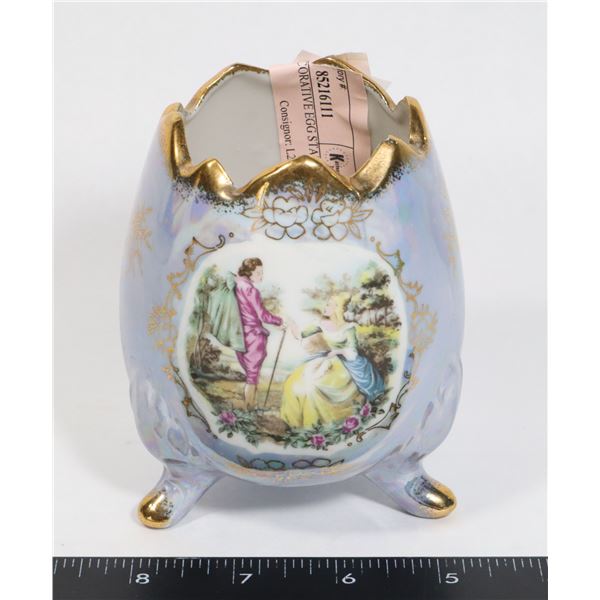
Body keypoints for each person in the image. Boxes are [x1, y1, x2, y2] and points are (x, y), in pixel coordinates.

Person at [280, 294, 384, 428]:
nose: (326, 307)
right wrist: (290, 322)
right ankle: (294, 422)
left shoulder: (348, 328)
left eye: (330, 304)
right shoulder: (320, 324)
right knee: (297, 379)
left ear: (337, 308)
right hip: (329, 358)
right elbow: (300, 335)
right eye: (327, 304)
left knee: (315, 385)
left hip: (346, 362)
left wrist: (337, 352)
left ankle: (316, 423)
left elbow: (352, 351)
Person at [234, 258, 285, 410]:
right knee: (252, 376)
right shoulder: (251, 290)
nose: (261, 276)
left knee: (250, 374)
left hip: (239, 335)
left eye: (261, 273)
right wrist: (280, 321)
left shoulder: (236, 285)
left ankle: (250, 406)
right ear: (249, 273)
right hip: (253, 337)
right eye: (258, 273)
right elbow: (263, 316)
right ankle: (249, 408)